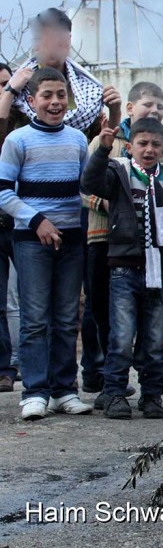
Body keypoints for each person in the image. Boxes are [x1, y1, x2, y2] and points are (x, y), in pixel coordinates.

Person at [82, 118, 163, 418]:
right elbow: (89, 182)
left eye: (155, 144)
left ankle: (152, 396)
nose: (149, 149)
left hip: (156, 274)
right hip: (123, 272)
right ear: (130, 147)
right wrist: (103, 149)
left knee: (153, 340)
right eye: (142, 143)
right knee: (121, 338)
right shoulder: (119, 173)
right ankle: (114, 394)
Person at [0, 68, 95, 419]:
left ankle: (63, 390)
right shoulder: (18, 140)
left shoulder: (78, 140)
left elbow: (86, 187)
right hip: (30, 240)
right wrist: (36, 220)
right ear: (32, 100)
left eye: (60, 96)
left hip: (72, 241)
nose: (55, 103)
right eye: (47, 96)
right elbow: (2, 191)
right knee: (35, 318)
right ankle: (35, 392)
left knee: (67, 318)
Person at [80, 82, 163, 394]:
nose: (154, 111)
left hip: (147, 247)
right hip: (103, 238)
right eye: (148, 104)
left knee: (145, 313)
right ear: (129, 108)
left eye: (159, 107)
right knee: (100, 307)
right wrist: (110, 204)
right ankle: (97, 374)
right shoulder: (105, 139)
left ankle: (141, 375)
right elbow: (85, 186)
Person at [0, 62, 23, 392]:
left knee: (28, 300)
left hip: (23, 222)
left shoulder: (24, 121)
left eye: (7, 83)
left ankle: (29, 366)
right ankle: (5, 368)